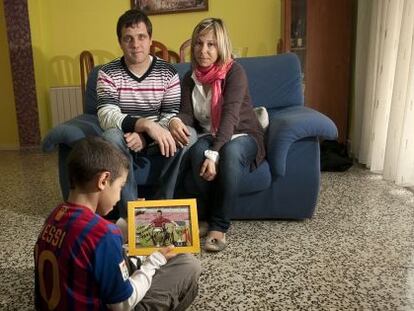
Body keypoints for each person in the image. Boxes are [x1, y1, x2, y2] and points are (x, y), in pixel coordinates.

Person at [34, 137, 201, 310]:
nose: (119, 196)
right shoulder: (105, 234)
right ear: (103, 180)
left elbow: (90, 243)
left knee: (143, 255)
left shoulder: (55, 215)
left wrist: (128, 222)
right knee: (189, 266)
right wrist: (154, 261)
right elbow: (122, 305)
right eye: (120, 187)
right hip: (115, 304)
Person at [169, 18, 266, 252]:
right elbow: (188, 115)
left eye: (211, 44)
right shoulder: (189, 78)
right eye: (199, 43)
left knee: (230, 154)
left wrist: (214, 154)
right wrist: (174, 121)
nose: (203, 50)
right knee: (195, 154)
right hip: (210, 133)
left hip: (242, 133)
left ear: (221, 46)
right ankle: (211, 214)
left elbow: (230, 117)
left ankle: (218, 225)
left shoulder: (235, 72)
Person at [96, 9, 196, 220]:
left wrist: (146, 136)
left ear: (150, 40)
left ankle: (163, 207)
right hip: (123, 140)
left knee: (189, 135)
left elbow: (171, 114)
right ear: (120, 42)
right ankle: (132, 217)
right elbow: (106, 115)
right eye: (128, 38)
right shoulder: (107, 73)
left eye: (141, 37)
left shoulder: (168, 72)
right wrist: (144, 125)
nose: (135, 44)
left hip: (156, 141)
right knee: (110, 136)